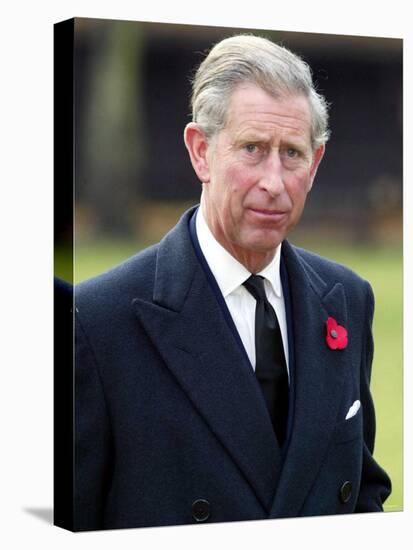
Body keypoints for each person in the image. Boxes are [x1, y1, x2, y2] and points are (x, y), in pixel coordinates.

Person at [74, 35, 391, 531]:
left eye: (292, 153)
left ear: (316, 164)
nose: (274, 180)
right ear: (201, 152)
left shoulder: (348, 299)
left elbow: (362, 496)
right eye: (252, 149)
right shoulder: (97, 320)